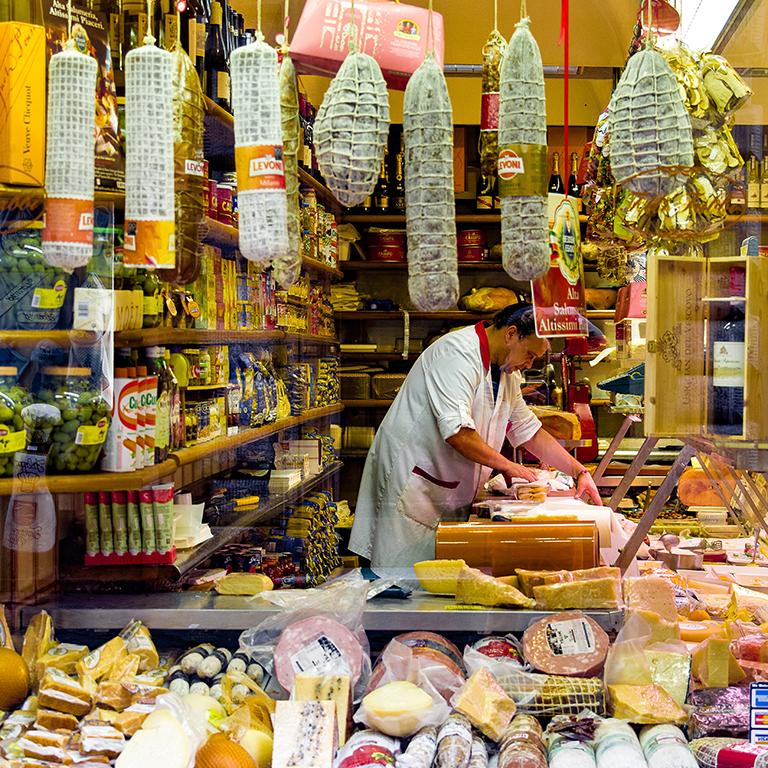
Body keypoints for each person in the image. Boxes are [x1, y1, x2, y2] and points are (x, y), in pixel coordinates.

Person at [349, 303, 602, 568]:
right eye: (529, 354)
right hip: (414, 482)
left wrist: (579, 472)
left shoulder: (507, 373)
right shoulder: (456, 354)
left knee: (434, 578)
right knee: (400, 580)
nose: (529, 364)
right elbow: (458, 434)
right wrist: (507, 465)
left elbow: (528, 431)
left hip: (445, 485)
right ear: (511, 334)